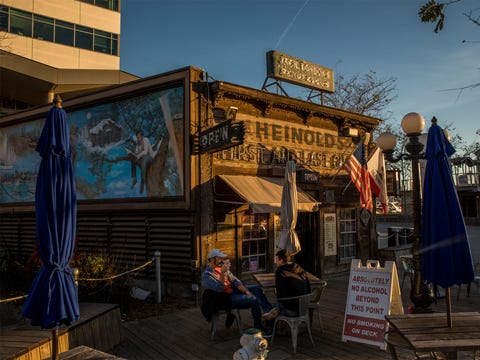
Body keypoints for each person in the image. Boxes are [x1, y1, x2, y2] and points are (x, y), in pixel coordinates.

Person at [201, 249, 278, 333]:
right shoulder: (207, 275)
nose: (222, 261)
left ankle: (269, 315)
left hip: (233, 291)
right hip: (225, 298)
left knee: (256, 289)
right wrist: (222, 273)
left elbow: (235, 281)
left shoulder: (220, 267)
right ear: (212, 259)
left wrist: (246, 291)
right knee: (254, 300)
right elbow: (220, 288)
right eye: (219, 258)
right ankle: (258, 327)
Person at [275, 249, 311, 317]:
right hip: (304, 308)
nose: (275, 261)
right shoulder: (298, 267)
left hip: (291, 311)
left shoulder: (280, 271)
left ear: (281, 260)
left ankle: (270, 324)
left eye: (277, 259)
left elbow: (279, 294)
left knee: (271, 308)